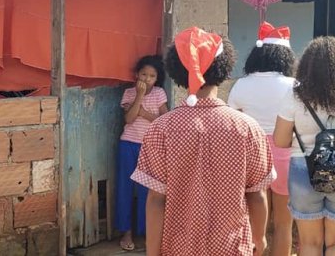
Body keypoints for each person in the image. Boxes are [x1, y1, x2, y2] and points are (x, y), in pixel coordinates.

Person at [132, 27, 274, 256]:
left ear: (177, 70)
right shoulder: (248, 129)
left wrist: (152, 252)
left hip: (177, 248)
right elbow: (257, 194)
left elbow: (156, 200)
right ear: (224, 69)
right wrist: (260, 238)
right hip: (232, 248)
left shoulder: (161, 129)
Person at [273, 36, 335, 256]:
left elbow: (279, 140)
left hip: (304, 170)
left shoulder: (295, 97)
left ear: (307, 66)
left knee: (309, 244)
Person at [228, 22, 296, 256]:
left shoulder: (241, 85)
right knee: (284, 223)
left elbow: (232, 121)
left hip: (252, 156)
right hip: (285, 153)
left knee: (255, 223)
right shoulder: (294, 86)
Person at [116, 55, 168, 252]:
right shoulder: (129, 93)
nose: (147, 79)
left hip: (151, 147)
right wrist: (139, 95)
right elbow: (129, 119)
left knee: (149, 191)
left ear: (157, 79)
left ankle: (148, 233)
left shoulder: (160, 93)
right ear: (137, 75)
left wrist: (144, 113)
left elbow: (164, 121)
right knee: (125, 189)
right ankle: (126, 232)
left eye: (152, 76)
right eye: (144, 74)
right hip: (128, 144)